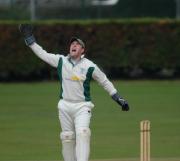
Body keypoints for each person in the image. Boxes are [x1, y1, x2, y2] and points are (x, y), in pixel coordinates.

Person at [19, 24, 130, 161]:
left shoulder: (89, 66)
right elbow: (43, 54)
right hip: (64, 106)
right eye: (72, 43)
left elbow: (104, 81)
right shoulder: (61, 61)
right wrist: (30, 41)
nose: (74, 45)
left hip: (82, 107)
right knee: (67, 137)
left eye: (77, 44)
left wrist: (118, 98)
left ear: (82, 50)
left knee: (83, 133)